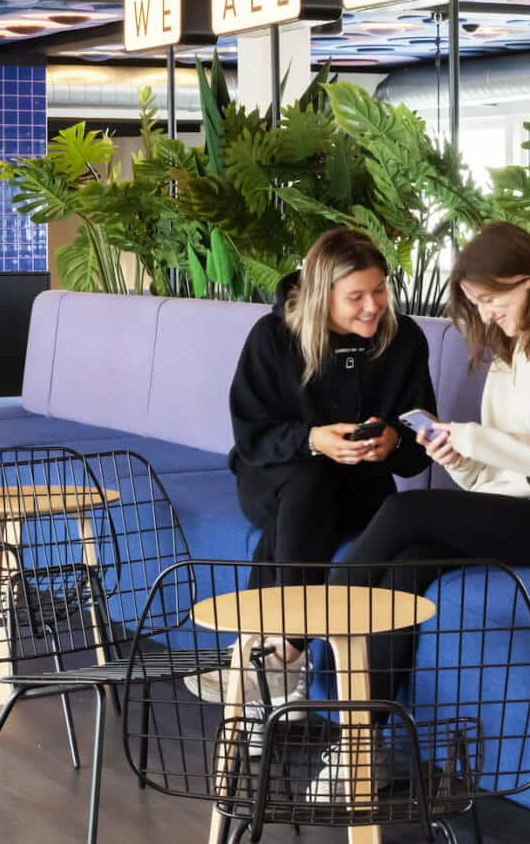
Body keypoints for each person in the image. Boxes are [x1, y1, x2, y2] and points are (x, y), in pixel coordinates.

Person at [309, 221, 530, 800]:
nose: (486, 316)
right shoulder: (511, 352)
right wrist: (455, 453)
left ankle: (308, 633)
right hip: (519, 506)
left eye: (492, 300)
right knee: (409, 566)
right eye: (477, 304)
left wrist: (478, 439)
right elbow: (493, 476)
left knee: (408, 515)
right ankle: (360, 745)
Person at [201, 227, 435, 707]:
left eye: (379, 291)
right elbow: (251, 436)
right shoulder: (274, 338)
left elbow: (416, 453)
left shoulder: (404, 340)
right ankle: (290, 649)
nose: (372, 306)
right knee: (309, 483)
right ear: (319, 296)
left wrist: (392, 441)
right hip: (274, 475)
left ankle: (265, 655)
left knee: (309, 511)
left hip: (360, 487)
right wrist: (311, 439)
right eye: (356, 297)